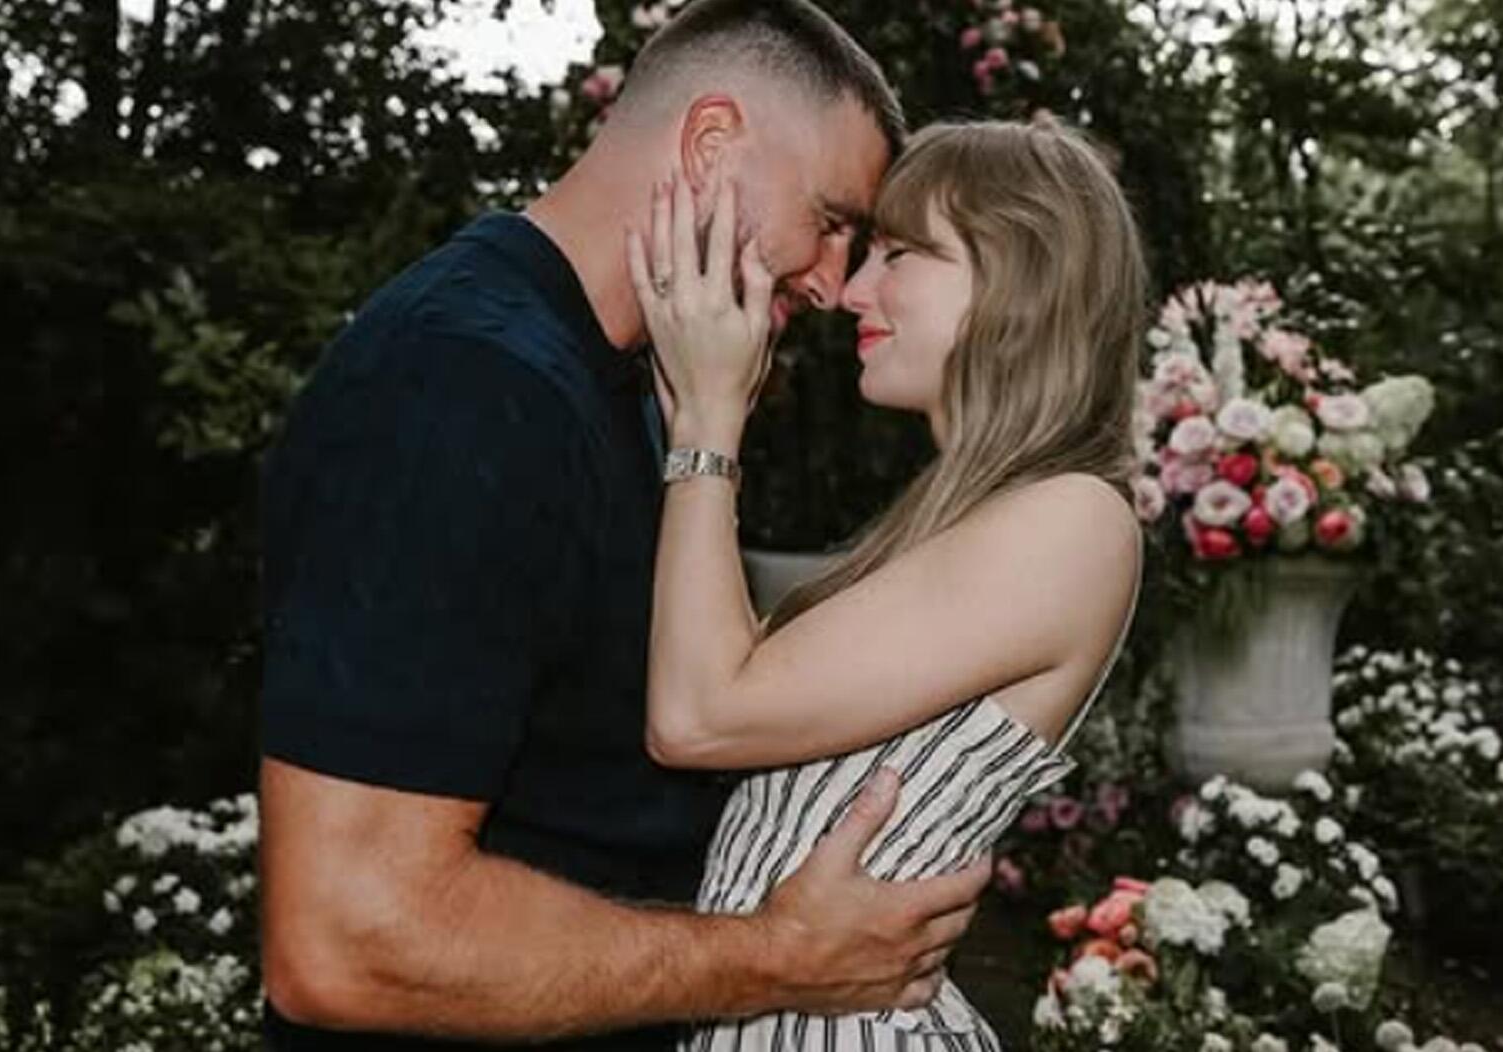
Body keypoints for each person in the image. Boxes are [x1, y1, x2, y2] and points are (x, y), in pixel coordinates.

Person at [255, 2, 991, 1049]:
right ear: (710, 143)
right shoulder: (464, 384)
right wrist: (777, 957)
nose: (835, 285)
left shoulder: (624, 385)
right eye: (831, 223)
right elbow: (346, 937)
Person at [629, 118, 1151, 1050]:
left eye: (901, 254)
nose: (853, 290)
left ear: (1019, 277)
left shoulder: (1073, 519)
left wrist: (707, 426)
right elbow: (728, 680)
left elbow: (698, 714)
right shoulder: (968, 520)